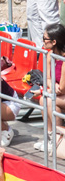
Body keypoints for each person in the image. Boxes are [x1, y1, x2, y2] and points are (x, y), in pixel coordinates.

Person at [34, 23, 65, 151]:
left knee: (46, 99)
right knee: (45, 99)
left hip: (61, 93)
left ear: (54, 41)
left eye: (45, 38)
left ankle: (56, 138)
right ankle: (51, 137)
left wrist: (45, 90)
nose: (42, 41)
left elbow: (62, 89)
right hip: (59, 94)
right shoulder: (50, 55)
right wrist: (52, 85)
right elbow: (47, 78)